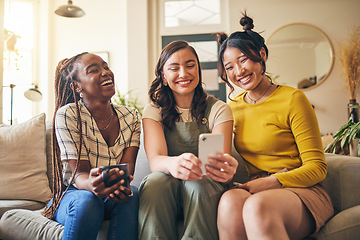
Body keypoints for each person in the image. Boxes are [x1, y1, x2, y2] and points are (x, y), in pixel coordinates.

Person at [215, 13, 334, 240]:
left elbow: (318, 168)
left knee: (256, 206)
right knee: (229, 201)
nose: (238, 72)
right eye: (229, 67)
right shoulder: (233, 107)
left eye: (243, 60)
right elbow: (218, 151)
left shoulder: (293, 98)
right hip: (257, 186)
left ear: (262, 55)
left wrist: (272, 181)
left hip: (301, 189)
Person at [138, 40, 238, 240]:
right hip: (167, 187)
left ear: (198, 70)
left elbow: (220, 163)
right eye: (174, 68)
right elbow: (156, 161)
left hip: (205, 186)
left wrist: (226, 168)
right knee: (156, 182)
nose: (183, 74)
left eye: (190, 66)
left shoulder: (219, 109)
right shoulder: (154, 110)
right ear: (164, 77)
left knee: (197, 184)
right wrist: (175, 163)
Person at [42, 52, 141, 240]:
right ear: (76, 86)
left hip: (107, 193)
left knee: (131, 194)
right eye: (94, 70)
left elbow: (127, 169)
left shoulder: (131, 116)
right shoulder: (68, 115)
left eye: (106, 67)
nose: (105, 72)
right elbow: (79, 175)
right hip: (73, 194)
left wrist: (120, 184)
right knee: (88, 200)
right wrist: (93, 186)